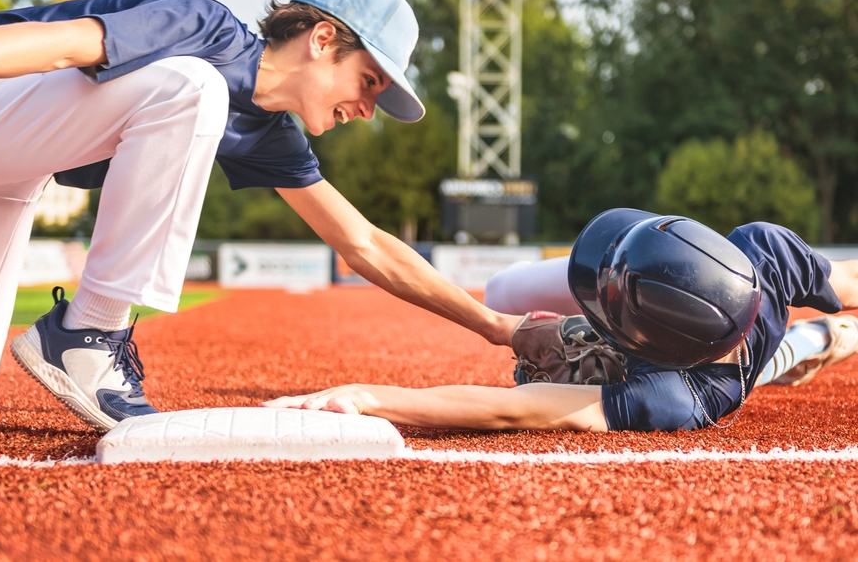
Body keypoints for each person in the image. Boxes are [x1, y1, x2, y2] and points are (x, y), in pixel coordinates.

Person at [0, 0, 523, 431]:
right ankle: (90, 332)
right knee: (194, 88)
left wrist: (498, 328)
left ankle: (75, 339)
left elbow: (364, 243)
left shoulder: (270, 134)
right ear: (322, 40)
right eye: (369, 81)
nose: (369, 109)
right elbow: (67, 43)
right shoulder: (207, 31)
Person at [266, 210, 858, 432]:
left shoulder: (673, 397)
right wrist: (501, 326)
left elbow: (511, 408)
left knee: (503, 290)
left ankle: (821, 337)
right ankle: (822, 336)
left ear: (648, 347)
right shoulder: (765, 254)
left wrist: (367, 397)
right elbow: (848, 280)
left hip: (733, 366)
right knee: (500, 293)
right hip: (735, 345)